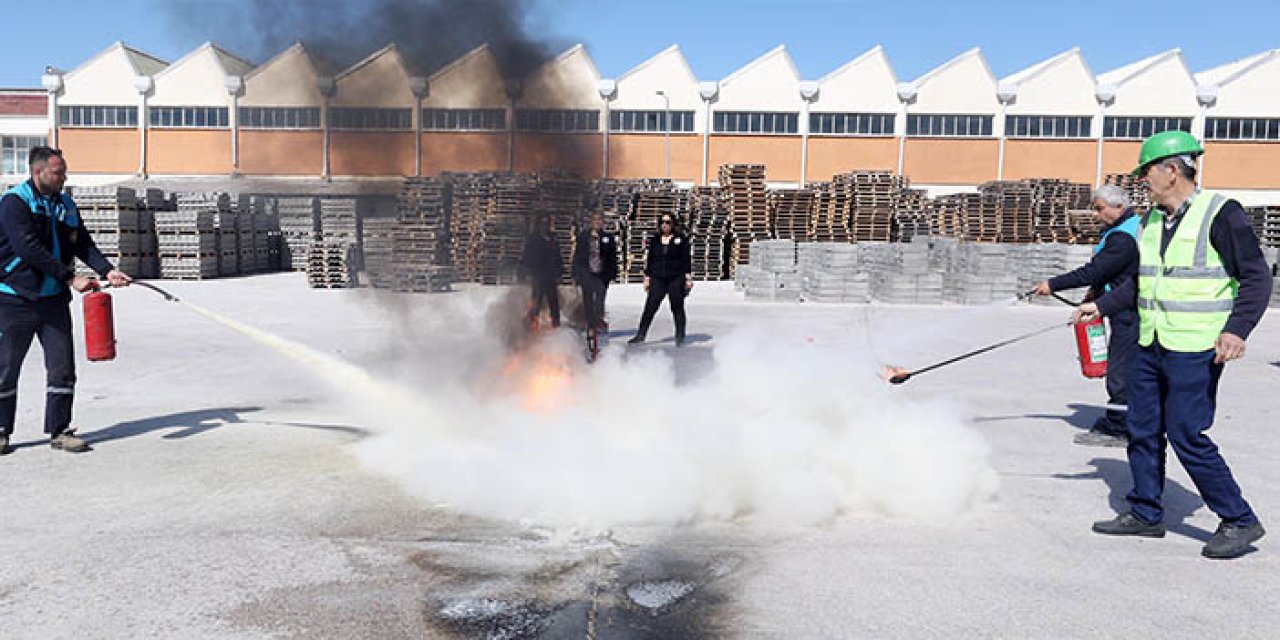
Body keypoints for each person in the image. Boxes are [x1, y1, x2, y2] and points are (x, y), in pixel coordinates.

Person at [1076, 130, 1271, 559]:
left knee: (1186, 433)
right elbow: (1141, 282)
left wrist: (1237, 330)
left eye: (1147, 170)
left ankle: (1239, 518)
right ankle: (1146, 513)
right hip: (1151, 342)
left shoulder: (1220, 214)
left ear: (1171, 170)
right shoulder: (1150, 222)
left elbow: (1257, 277)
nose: (1143, 180)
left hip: (1196, 348)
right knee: (1142, 429)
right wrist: (1102, 307)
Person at [0, 147, 131, 455]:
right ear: (38, 172)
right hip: (15, 299)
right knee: (5, 369)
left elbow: (83, 243)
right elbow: (27, 248)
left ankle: (59, 431)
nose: (64, 177)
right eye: (58, 173)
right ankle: (2, 430)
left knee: (62, 368)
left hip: (53, 302)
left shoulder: (65, 205)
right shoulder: (14, 204)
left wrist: (108, 270)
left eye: (64, 172)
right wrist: (71, 278)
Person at [1032, 185, 1140, 448]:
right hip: (1120, 304)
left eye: (1099, 208)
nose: (1095, 214)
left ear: (1119, 207)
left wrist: (1052, 284)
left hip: (1130, 311)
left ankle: (1119, 428)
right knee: (1125, 368)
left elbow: (1093, 271)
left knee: (1120, 371)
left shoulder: (1123, 238)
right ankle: (1126, 421)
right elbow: (1107, 273)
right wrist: (1093, 295)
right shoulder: (1123, 229)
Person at [629, 215, 692, 347]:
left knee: (677, 307)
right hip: (658, 277)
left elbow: (686, 259)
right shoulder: (655, 240)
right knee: (650, 306)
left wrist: (687, 277)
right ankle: (641, 334)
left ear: (673, 224)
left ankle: (680, 336)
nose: (665, 225)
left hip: (675, 277)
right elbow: (650, 259)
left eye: (668, 222)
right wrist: (647, 277)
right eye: (662, 222)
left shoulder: (681, 239)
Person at [572, 212, 617, 331]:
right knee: (588, 298)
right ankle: (590, 323)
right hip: (587, 271)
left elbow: (612, 257)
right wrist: (576, 273)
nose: (597, 222)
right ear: (591, 222)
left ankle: (598, 320)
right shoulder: (584, 237)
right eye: (595, 220)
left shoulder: (608, 238)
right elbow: (578, 256)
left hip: (601, 273)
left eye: (600, 220)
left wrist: (613, 272)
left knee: (600, 297)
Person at [521, 214, 561, 329]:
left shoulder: (553, 238)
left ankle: (556, 324)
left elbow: (557, 256)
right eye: (542, 224)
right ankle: (531, 324)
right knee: (536, 300)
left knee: (553, 301)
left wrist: (559, 271)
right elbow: (526, 256)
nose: (545, 227)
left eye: (547, 224)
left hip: (551, 274)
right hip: (537, 275)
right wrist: (526, 271)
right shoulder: (533, 239)